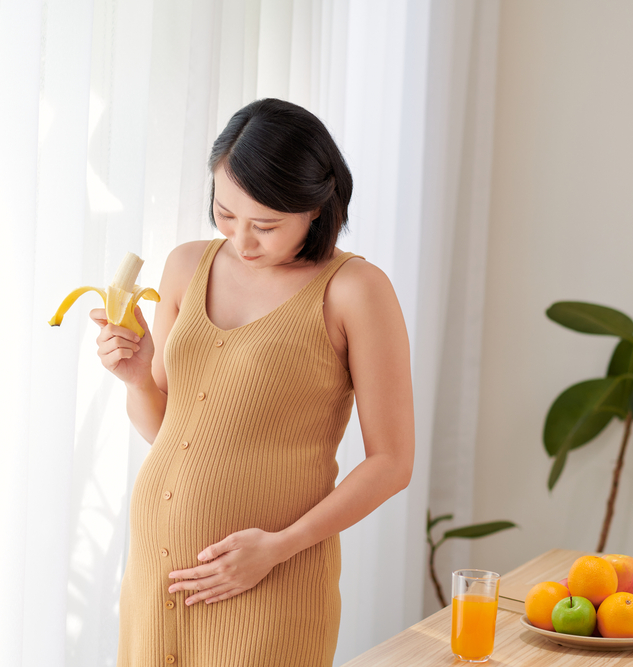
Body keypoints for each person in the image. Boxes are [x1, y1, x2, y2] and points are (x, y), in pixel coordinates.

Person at [92, 98, 414, 667]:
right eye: (225, 214)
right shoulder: (186, 266)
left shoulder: (356, 290)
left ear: (316, 208)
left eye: (266, 225)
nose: (242, 241)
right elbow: (169, 431)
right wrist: (138, 380)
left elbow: (392, 462)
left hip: (272, 577)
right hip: (158, 569)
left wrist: (277, 548)